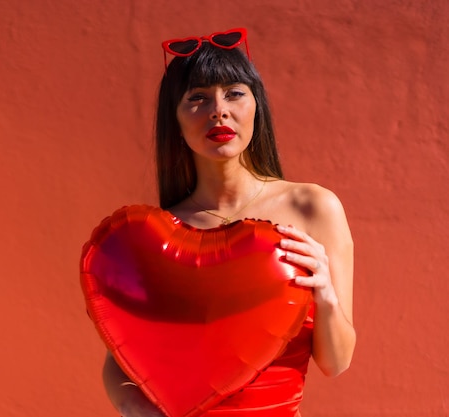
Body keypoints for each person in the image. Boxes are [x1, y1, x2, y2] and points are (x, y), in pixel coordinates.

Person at [101, 28, 356, 417]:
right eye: (197, 98)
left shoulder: (314, 208)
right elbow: (118, 361)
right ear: (175, 120)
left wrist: (325, 295)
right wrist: (138, 409)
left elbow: (336, 363)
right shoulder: (161, 235)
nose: (218, 110)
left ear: (257, 107)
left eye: (234, 93)